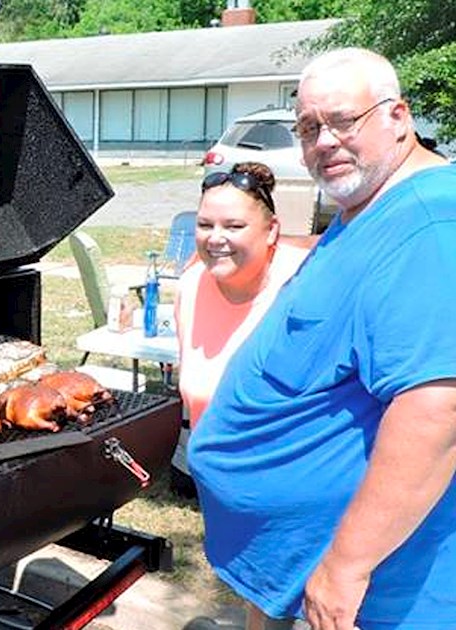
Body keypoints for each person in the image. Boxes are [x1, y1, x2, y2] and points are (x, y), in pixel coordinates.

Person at [188, 47, 456, 630]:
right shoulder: (366, 209)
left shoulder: (433, 224)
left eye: (342, 121)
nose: (324, 141)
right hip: (300, 575)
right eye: (309, 127)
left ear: (399, 117)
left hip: (374, 595)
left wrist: (345, 567)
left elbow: (437, 408)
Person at [176, 161, 310, 431]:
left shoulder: (307, 283)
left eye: (233, 226)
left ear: (272, 230)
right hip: (209, 463)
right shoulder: (191, 284)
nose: (215, 238)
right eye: (204, 225)